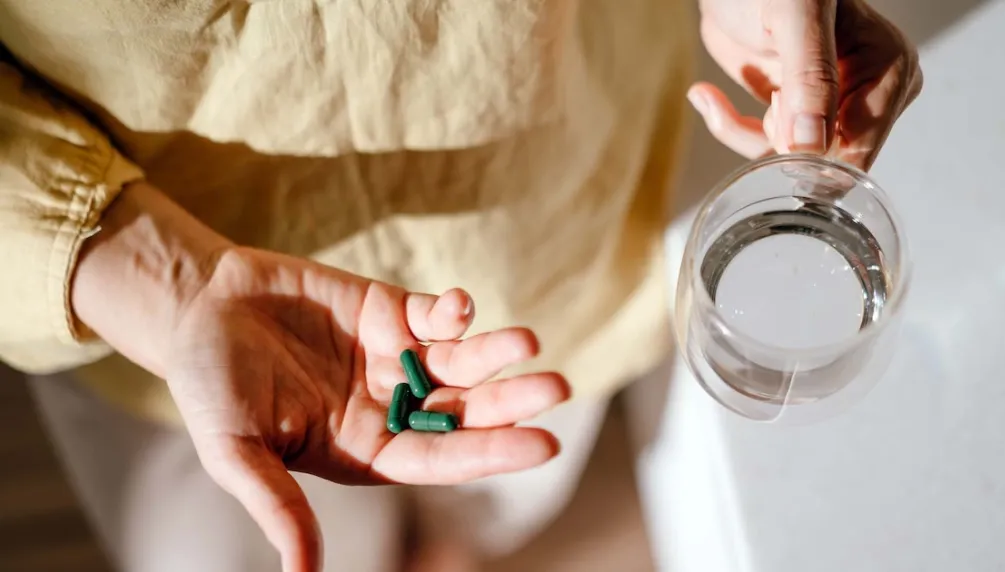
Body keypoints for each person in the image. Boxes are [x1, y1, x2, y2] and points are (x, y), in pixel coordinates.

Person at [0, 0, 921, 570]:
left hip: (540, 216)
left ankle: (447, 550)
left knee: (496, 490)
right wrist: (167, 280)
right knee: (264, 541)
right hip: (162, 310)